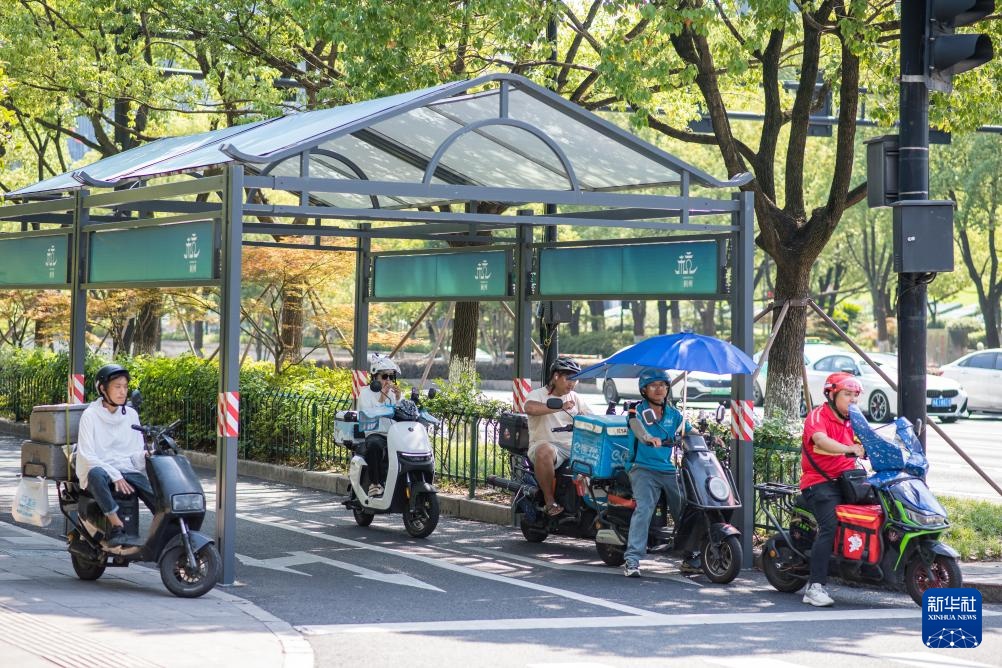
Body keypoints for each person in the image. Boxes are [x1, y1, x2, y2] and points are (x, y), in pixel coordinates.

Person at [622, 368, 699, 578]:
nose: (659, 389)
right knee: (645, 508)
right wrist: (648, 438)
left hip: (667, 469)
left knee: (685, 508)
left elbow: (688, 430)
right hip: (641, 467)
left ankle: (691, 555)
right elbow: (637, 428)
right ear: (644, 390)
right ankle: (632, 560)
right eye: (653, 385)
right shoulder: (636, 410)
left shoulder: (673, 414)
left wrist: (706, 437)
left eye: (663, 385)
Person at [799, 371, 866, 607]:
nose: (852, 400)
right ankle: (814, 587)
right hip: (818, 482)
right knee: (829, 526)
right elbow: (821, 441)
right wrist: (850, 449)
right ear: (831, 394)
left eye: (855, 395)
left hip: (848, 480)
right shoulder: (818, 416)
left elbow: (868, 440)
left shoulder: (853, 419)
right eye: (847, 394)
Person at [76, 364, 155, 547]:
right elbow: (87, 455)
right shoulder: (90, 415)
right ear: (103, 389)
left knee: (156, 494)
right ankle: (116, 525)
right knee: (95, 474)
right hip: (100, 470)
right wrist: (115, 474)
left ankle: (170, 529)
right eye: (117, 387)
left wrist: (147, 455)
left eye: (125, 387)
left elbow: (135, 455)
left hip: (126, 469)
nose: (122, 392)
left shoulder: (131, 415)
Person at [523, 357, 593, 517]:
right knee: (544, 451)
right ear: (555, 376)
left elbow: (592, 418)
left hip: (573, 447)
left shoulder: (575, 397)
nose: (572, 383)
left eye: (575, 379)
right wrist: (560, 406)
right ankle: (549, 502)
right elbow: (530, 408)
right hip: (546, 445)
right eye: (568, 378)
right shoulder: (537, 394)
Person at [356, 354, 403, 497]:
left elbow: (402, 412)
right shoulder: (366, 393)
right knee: (374, 446)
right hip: (375, 433)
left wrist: (399, 398)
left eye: (391, 376)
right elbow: (368, 414)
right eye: (384, 376)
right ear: (375, 377)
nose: (388, 380)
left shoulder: (394, 394)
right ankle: (375, 484)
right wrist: (382, 397)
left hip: (394, 434)